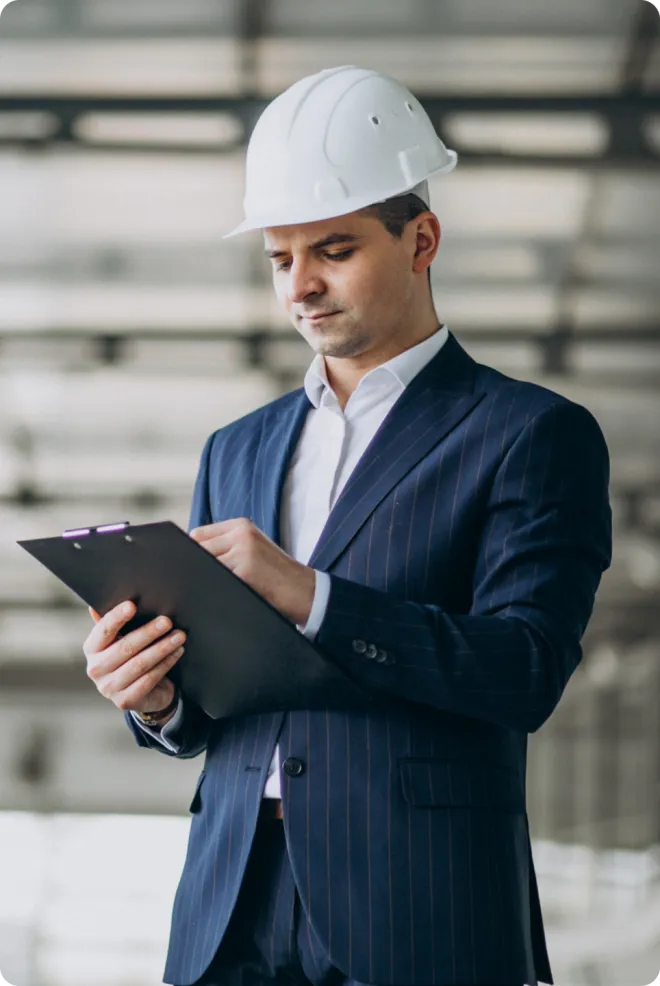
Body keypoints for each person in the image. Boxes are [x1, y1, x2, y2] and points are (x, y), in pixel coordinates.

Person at [83, 66, 612, 986]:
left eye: (333, 250)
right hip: (233, 904)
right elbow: (219, 702)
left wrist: (312, 595)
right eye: (280, 259)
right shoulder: (234, 449)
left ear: (421, 240)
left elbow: (525, 669)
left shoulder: (529, 433)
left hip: (421, 905)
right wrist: (157, 695)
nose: (302, 287)